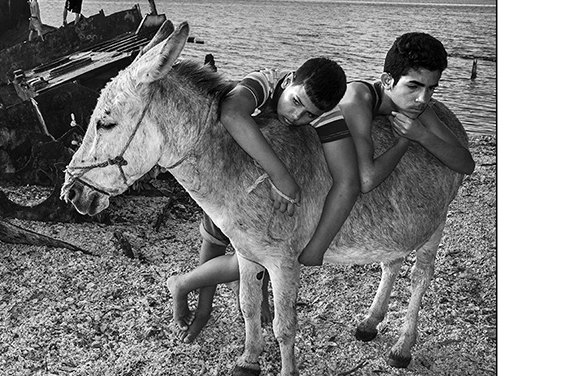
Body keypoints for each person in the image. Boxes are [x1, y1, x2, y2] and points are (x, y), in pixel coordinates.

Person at [167, 59, 360, 341]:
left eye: (309, 115)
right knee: (215, 241)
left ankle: (256, 295)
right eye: (295, 102)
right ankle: (195, 299)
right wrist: (282, 177)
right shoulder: (267, 81)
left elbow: (348, 180)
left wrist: (318, 246)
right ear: (291, 78)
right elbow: (231, 113)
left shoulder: (325, 114)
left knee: (266, 250)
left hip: (266, 198)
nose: (296, 116)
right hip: (226, 180)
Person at [340, 32, 474, 193]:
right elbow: (366, 180)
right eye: (413, 87)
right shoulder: (357, 98)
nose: (423, 99)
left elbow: (467, 164)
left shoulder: (417, 107)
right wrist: (402, 144)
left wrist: (422, 135)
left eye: (431, 88)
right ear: (387, 81)